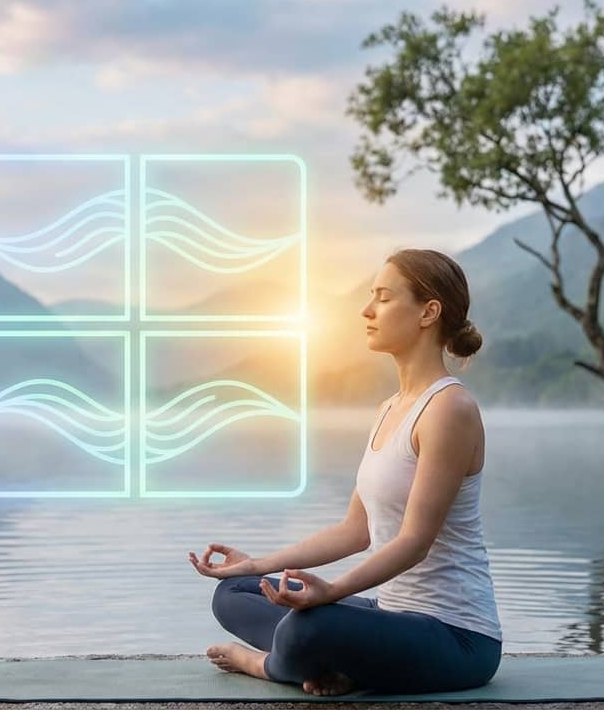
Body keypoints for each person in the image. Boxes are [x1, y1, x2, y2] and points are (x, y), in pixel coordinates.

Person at [187, 248, 503, 696]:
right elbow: (354, 530)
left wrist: (329, 593)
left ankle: (269, 665)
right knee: (237, 592)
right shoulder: (389, 409)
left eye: (384, 298)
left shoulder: (449, 409)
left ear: (428, 312)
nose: (367, 310)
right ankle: (332, 665)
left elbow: (414, 543)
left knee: (309, 627)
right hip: (392, 616)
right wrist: (259, 562)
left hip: (457, 639)